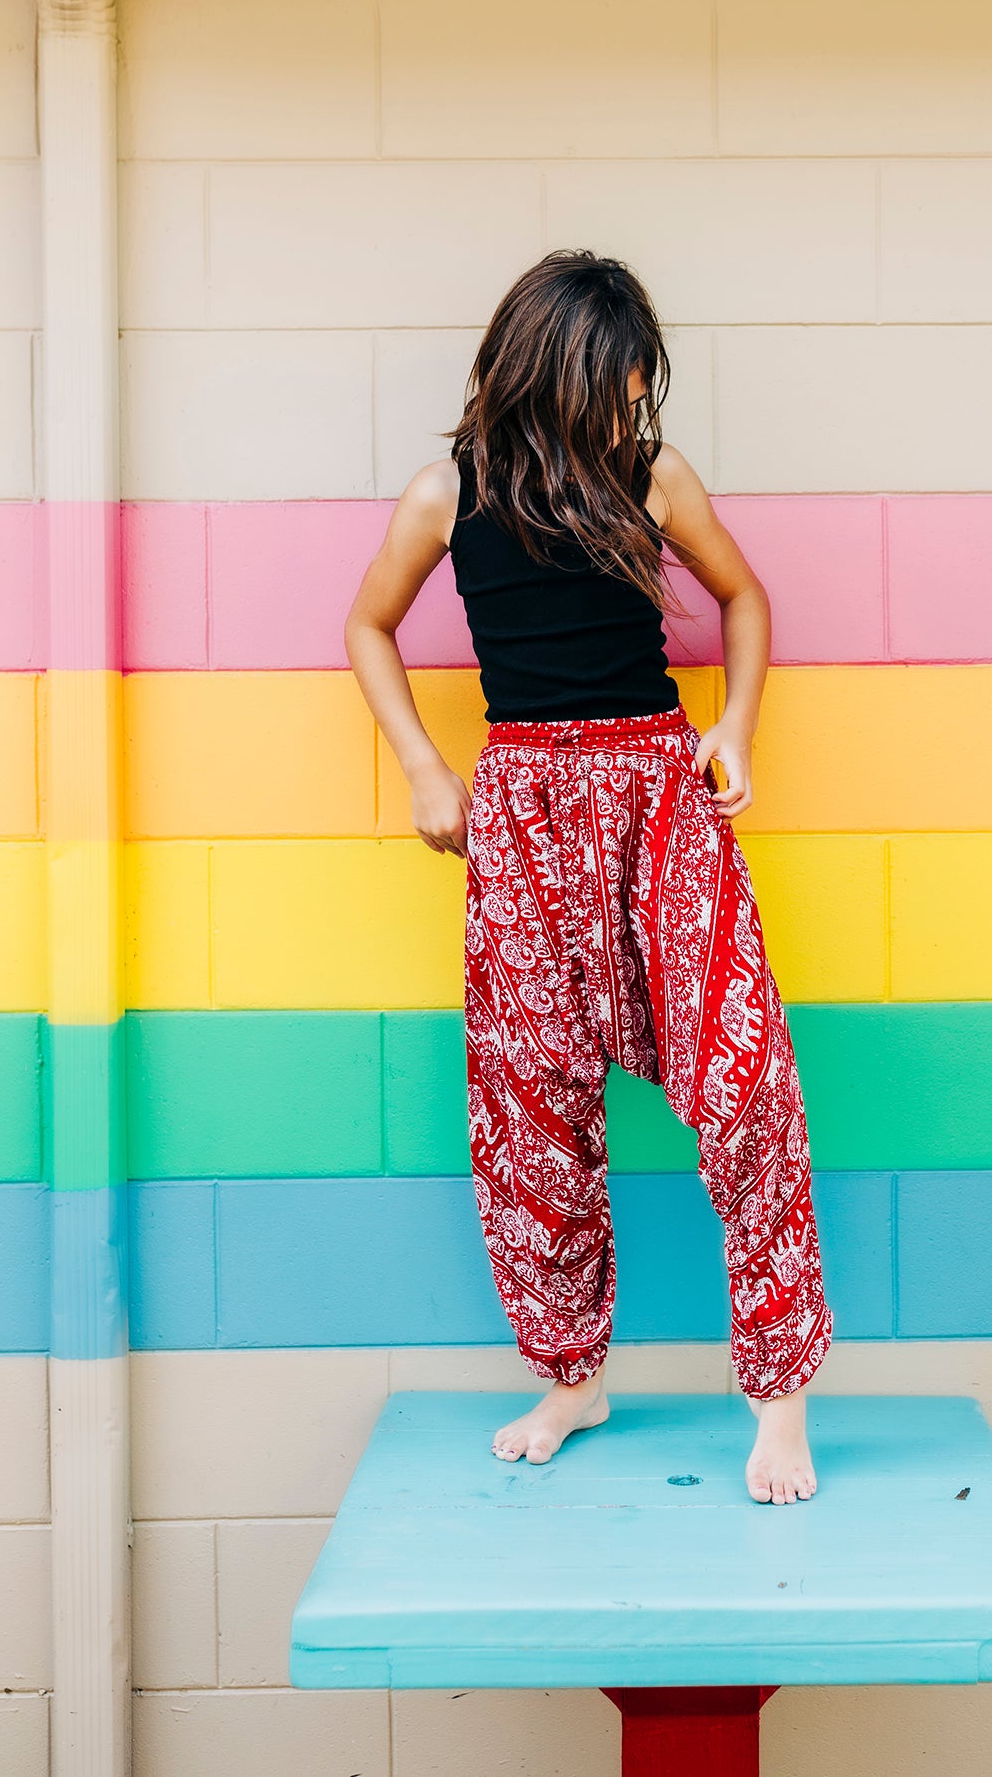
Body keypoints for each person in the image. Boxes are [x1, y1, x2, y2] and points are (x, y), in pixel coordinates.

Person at [344, 250, 832, 1504]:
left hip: (658, 795)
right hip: (522, 812)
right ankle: (572, 1377)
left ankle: (779, 1401)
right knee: (532, 1111)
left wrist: (737, 727)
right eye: (616, 379)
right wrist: (424, 767)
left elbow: (744, 596)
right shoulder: (445, 495)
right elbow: (368, 624)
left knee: (745, 1084)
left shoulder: (652, 476)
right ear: (551, 371)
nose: (631, 402)